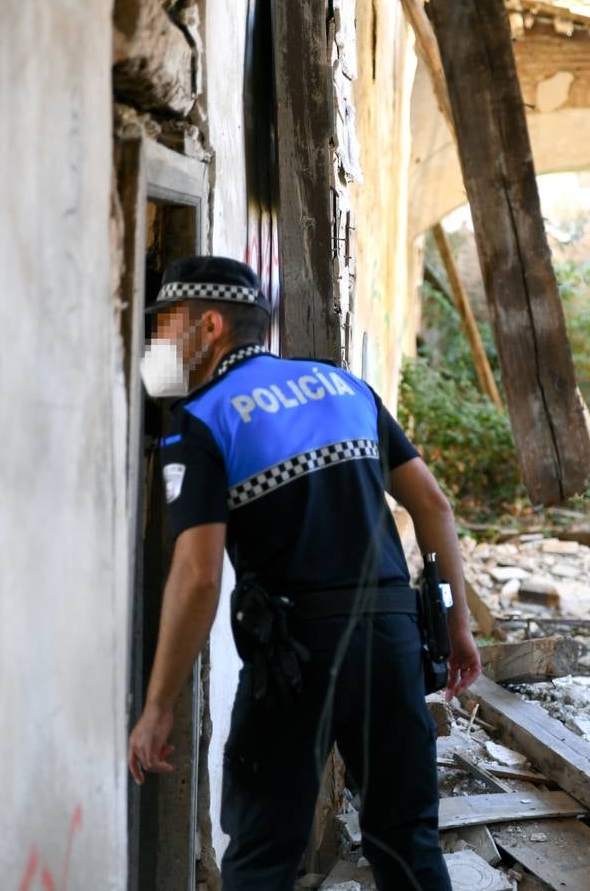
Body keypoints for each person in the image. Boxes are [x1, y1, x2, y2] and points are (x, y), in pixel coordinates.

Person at [126, 255, 480, 891]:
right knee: (407, 842)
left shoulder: (202, 420)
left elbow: (199, 576)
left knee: (263, 854)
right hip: (392, 643)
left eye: (166, 325)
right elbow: (434, 504)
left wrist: (158, 705)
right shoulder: (347, 389)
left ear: (208, 326)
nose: (157, 344)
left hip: (296, 659)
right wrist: (457, 620)